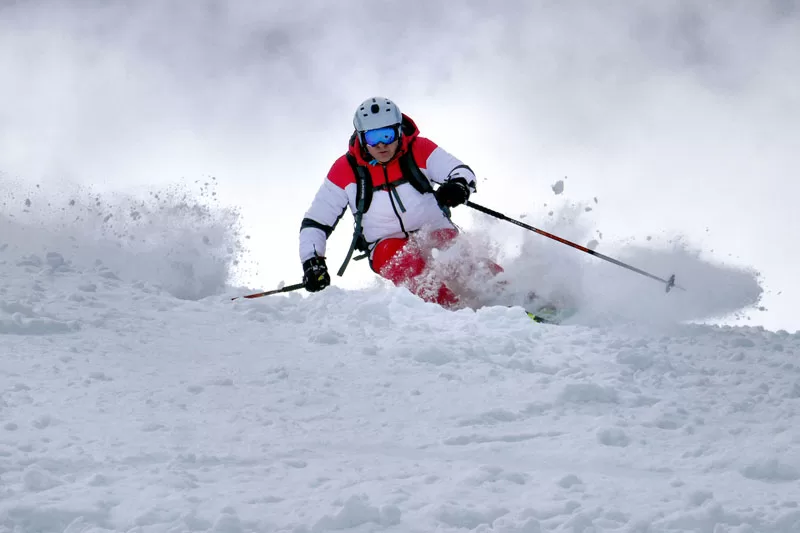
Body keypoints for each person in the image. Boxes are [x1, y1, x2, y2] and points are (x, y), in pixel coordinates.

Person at [299, 96, 498, 308]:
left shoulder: (418, 149)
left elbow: (460, 171)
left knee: (462, 260)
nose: (382, 144)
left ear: (399, 131)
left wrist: (459, 185)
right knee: (407, 264)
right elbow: (316, 222)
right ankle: (453, 313)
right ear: (361, 137)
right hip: (385, 243)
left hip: (432, 228)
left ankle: (513, 296)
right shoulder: (345, 169)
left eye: (387, 134)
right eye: (373, 138)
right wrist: (312, 262)